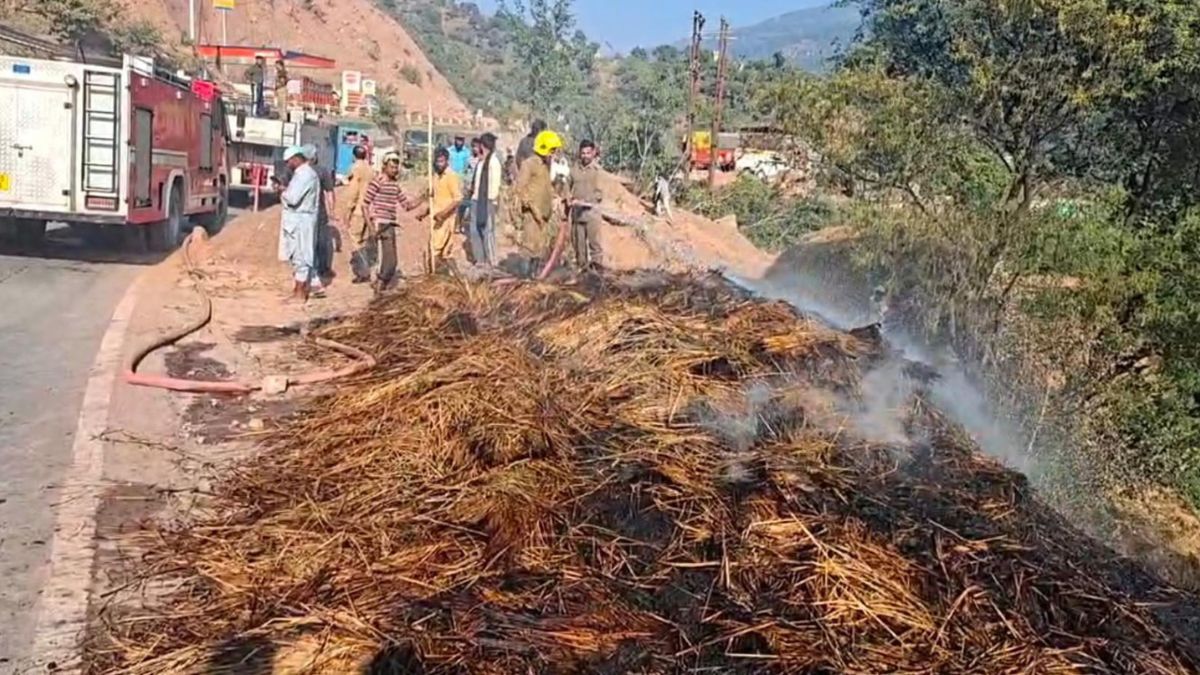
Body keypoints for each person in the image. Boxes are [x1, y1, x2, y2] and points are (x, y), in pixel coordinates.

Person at [362, 152, 422, 291]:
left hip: (390, 224)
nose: (395, 170)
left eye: (396, 167)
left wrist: (423, 198)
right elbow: (365, 204)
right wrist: (371, 228)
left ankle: (380, 286)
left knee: (392, 261)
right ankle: (379, 286)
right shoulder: (378, 182)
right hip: (381, 223)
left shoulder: (395, 185)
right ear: (385, 167)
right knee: (389, 261)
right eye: (392, 167)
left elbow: (406, 205)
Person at [514, 129, 562, 276]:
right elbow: (521, 190)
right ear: (544, 148)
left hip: (543, 216)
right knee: (529, 249)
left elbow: (546, 187)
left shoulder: (545, 165)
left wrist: (555, 199)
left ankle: (533, 278)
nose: (554, 153)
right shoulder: (529, 164)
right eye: (552, 150)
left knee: (538, 250)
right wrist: (535, 211)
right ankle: (524, 281)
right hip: (533, 216)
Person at [278, 146, 320, 301]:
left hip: (301, 221)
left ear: (296, 158)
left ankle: (300, 294)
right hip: (297, 221)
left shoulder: (305, 175)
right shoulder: (302, 174)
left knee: (302, 257)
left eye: (289, 161)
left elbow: (293, 198)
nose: (288, 164)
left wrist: (282, 191)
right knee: (297, 256)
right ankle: (297, 291)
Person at [421, 147, 464, 270]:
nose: (439, 164)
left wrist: (443, 214)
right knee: (437, 251)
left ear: (447, 161)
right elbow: (434, 199)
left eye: (442, 161)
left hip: (446, 221)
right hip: (436, 220)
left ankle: (437, 276)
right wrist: (425, 212)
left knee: (437, 250)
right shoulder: (435, 177)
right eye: (437, 161)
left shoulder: (451, 176)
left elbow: (457, 199)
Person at [304, 144, 337, 291]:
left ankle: (310, 273)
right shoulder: (323, 171)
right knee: (320, 244)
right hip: (319, 214)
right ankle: (319, 271)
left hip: (305, 215)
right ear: (314, 156)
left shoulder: (300, 172)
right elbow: (330, 193)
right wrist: (332, 210)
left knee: (308, 244)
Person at [341, 144, 376, 283]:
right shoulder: (371, 170)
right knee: (365, 241)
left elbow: (353, 193)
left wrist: (347, 212)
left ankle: (363, 272)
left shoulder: (356, 169)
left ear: (354, 156)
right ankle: (366, 269)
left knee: (356, 242)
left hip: (358, 211)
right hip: (370, 210)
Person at [469, 132, 504, 265]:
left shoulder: (494, 162)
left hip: (487, 202)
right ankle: (480, 260)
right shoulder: (481, 162)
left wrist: (489, 201)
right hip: (476, 200)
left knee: (488, 231)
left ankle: (492, 261)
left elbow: (494, 186)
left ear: (483, 146)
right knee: (474, 230)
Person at [569, 139, 604, 270]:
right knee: (579, 247)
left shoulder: (597, 171)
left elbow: (599, 195)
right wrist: (567, 198)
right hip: (577, 215)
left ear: (593, 153)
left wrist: (583, 201)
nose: (585, 156)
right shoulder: (573, 170)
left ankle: (597, 275)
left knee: (595, 246)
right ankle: (582, 273)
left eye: (588, 153)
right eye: (583, 153)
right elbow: (567, 187)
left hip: (592, 214)